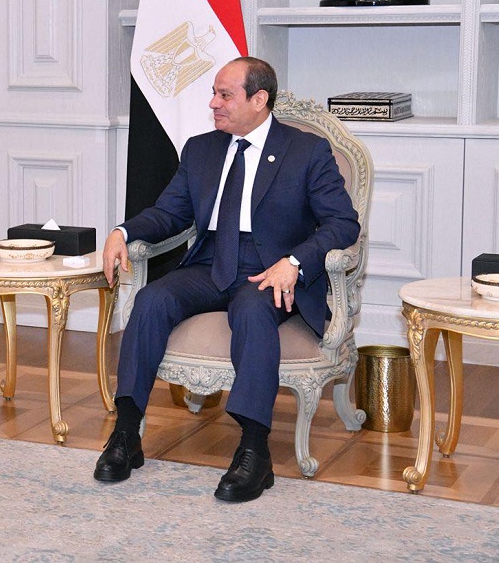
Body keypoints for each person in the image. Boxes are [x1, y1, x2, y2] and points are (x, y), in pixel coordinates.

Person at [95, 56, 359, 502]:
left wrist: (295, 261)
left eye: (225, 95)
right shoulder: (201, 149)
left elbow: (342, 223)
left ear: (259, 99)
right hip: (210, 263)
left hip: (269, 269)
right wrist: (123, 232)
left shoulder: (306, 151)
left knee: (253, 312)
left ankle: (254, 451)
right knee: (151, 300)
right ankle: (126, 434)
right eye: (214, 93)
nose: (213, 103)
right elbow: (170, 213)